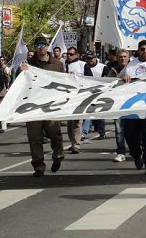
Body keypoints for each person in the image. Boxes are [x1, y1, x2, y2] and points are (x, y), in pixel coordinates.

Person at [21, 37, 66, 177]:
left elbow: (64, 83)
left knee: (55, 134)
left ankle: (58, 156)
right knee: (34, 137)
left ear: (47, 46)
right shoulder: (28, 65)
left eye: (43, 45)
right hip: (33, 106)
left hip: (51, 106)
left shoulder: (57, 64)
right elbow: (20, 84)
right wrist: (22, 72)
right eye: (38, 45)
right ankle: (38, 165)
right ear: (35, 47)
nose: (41, 47)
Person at [118, 40, 146, 174]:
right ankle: (136, 155)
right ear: (138, 50)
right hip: (132, 107)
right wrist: (123, 78)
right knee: (130, 135)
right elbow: (116, 80)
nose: (145, 52)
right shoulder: (130, 65)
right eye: (142, 49)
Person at [64, 47, 93, 151]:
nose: (69, 56)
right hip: (68, 97)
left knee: (77, 121)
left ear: (76, 55)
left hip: (80, 96)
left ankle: (76, 144)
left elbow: (90, 79)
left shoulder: (83, 65)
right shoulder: (64, 65)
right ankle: (72, 141)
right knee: (69, 123)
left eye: (71, 54)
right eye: (67, 54)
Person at [107, 49, 131, 162]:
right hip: (118, 104)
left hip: (133, 103)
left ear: (128, 57)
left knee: (134, 129)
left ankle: (138, 150)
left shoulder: (134, 68)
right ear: (117, 58)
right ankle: (121, 151)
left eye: (125, 56)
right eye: (120, 56)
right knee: (119, 129)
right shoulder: (112, 70)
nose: (122, 58)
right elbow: (107, 85)